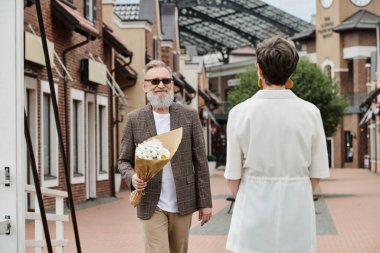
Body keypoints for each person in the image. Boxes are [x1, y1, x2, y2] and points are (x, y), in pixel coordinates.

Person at [224, 36, 329, 253]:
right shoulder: (311, 113)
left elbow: (233, 177)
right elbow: (316, 174)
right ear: (291, 72)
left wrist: (250, 194)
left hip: (252, 208)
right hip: (297, 210)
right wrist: (294, 189)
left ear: (259, 71)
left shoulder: (239, 113)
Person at [119, 60, 212, 253]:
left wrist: (205, 203)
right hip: (151, 202)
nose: (161, 85)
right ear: (145, 86)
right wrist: (133, 177)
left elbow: (200, 162)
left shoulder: (189, 115)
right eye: (154, 81)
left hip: (183, 201)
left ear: (173, 85)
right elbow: (123, 161)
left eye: (166, 80)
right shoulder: (134, 119)